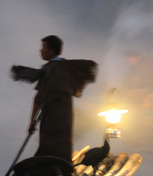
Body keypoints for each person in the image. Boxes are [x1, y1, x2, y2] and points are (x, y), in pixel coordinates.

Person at [11, 35, 97, 163]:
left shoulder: (49, 69)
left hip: (51, 116)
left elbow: (39, 97)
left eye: (43, 48)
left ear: (51, 51)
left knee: (48, 144)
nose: (41, 51)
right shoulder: (68, 66)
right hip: (66, 115)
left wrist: (32, 121)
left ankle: (47, 168)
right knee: (64, 143)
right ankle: (63, 166)